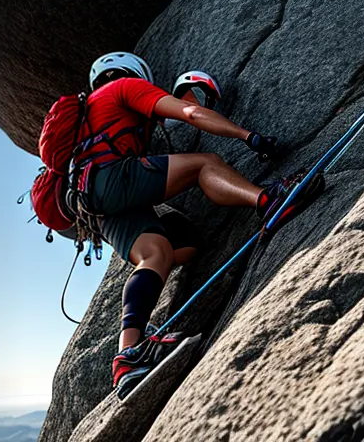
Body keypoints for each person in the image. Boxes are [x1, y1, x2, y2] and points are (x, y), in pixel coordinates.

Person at [53, 52, 323, 398]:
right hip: (112, 179)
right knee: (204, 165)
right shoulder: (124, 88)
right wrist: (248, 137)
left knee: (160, 252)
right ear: (133, 73)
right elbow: (191, 113)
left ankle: (127, 356)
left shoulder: (86, 117)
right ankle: (268, 201)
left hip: (91, 206)